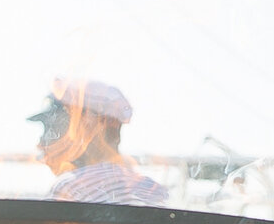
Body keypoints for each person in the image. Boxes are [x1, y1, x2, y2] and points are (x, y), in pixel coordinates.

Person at [29, 77, 169, 206]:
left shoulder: (69, 189)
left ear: (86, 125)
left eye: (52, 127)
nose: (41, 143)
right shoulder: (152, 190)